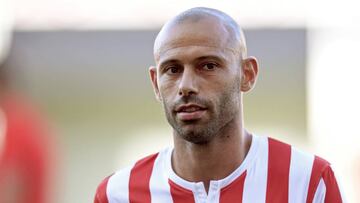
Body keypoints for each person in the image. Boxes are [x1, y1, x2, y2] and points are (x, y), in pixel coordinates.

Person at [94, 7, 345, 203]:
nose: (186, 85)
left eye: (208, 66)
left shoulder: (307, 180)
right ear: (155, 83)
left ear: (247, 74)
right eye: (172, 69)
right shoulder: (118, 194)